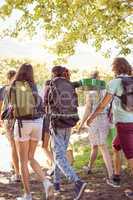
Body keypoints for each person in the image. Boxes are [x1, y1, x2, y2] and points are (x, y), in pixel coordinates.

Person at [86, 58, 133, 199]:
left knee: (130, 155)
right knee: (116, 146)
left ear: (115, 68)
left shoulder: (114, 83)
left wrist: (91, 117)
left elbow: (102, 104)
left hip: (124, 124)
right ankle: (116, 177)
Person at [10, 63, 54, 200]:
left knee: (23, 161)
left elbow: (12, 107)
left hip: (23, 124)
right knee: (31, 157)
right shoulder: (38, 86)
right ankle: (46, 183)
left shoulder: (14, 86)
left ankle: (27, 195)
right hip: (38, 123)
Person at [46, 66, 87, 200]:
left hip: (56, 123)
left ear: (53, 73)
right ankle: (57, 183)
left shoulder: (50, 83)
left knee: (58, 156)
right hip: (69, 121)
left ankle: (77, 182)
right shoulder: (69, 84)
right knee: (61, 153)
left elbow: (45, 104)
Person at [78, 71, 117, 187]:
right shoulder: (106, 91)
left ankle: (111, 175)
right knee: (94, 145)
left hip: (94, 121)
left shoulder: (90, 93)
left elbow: (87, 110)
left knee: (102, 147)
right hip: (104, 119)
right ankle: (89, 167)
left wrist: (81, 124)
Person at [0, 69, 20, 182]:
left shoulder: (4, 89)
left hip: (9, 119)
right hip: (22, 120)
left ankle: (17, 173)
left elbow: (0, 105)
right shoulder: (22, 88)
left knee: (13, 146)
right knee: (20, 146)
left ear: (7, 78)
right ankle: (17, 168)